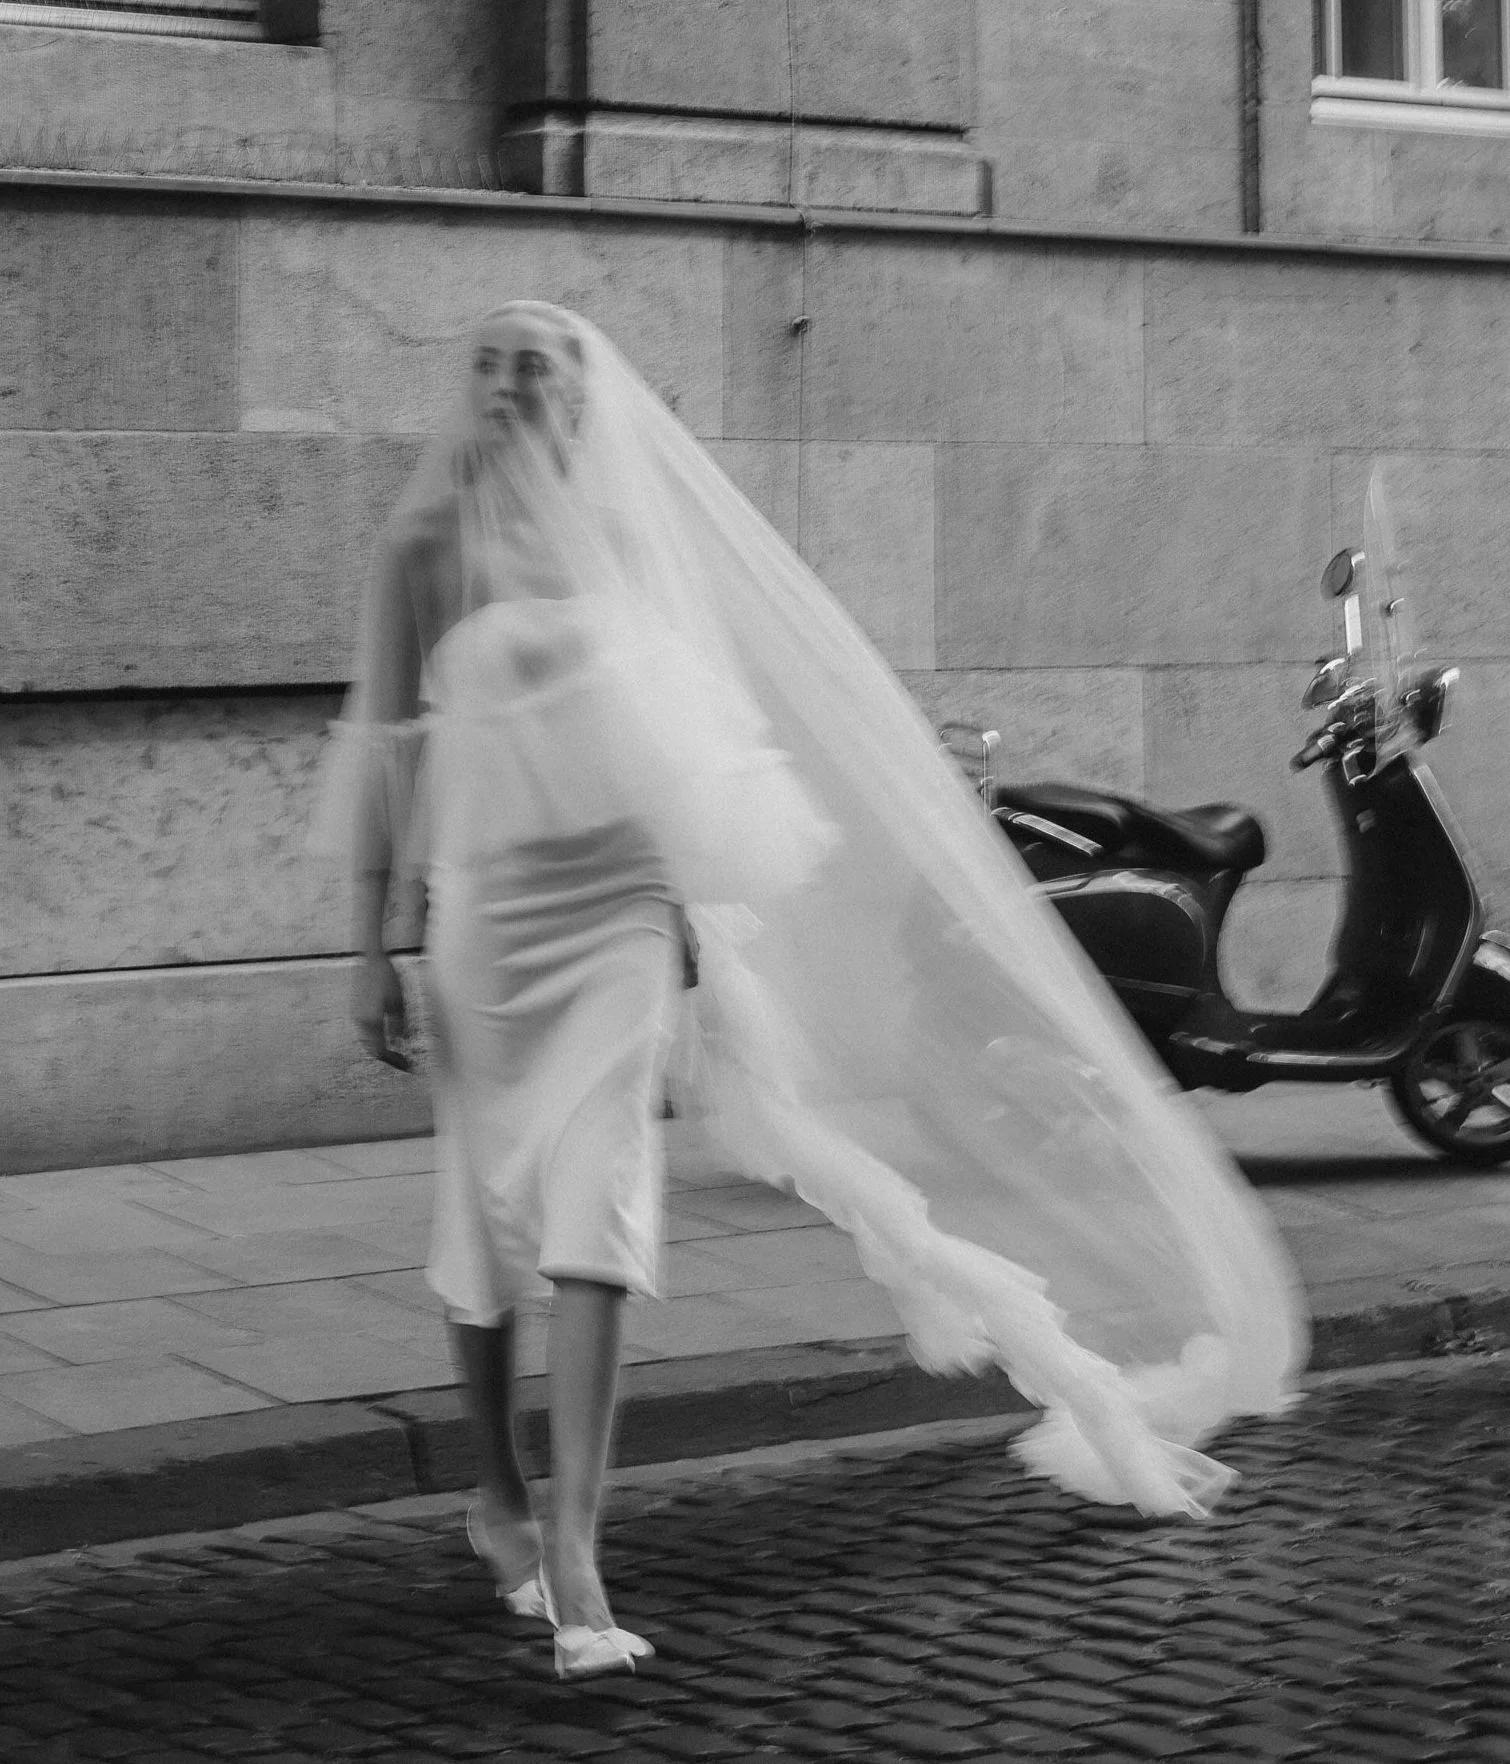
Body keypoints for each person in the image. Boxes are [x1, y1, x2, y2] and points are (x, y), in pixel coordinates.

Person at [313, 300, 1306, 1679]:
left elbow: (688, 748)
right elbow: (386, 758)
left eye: (530, 369)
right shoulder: (424, 547)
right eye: (483, 364)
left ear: (576, 400)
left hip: (615, 919)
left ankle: (581, 1537)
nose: (503, 388)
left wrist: (690, 917)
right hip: (486, 927)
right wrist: (369, 944)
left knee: (596, 1217)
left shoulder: (617, 544)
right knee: (484, 1229)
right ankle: (493, 1488)